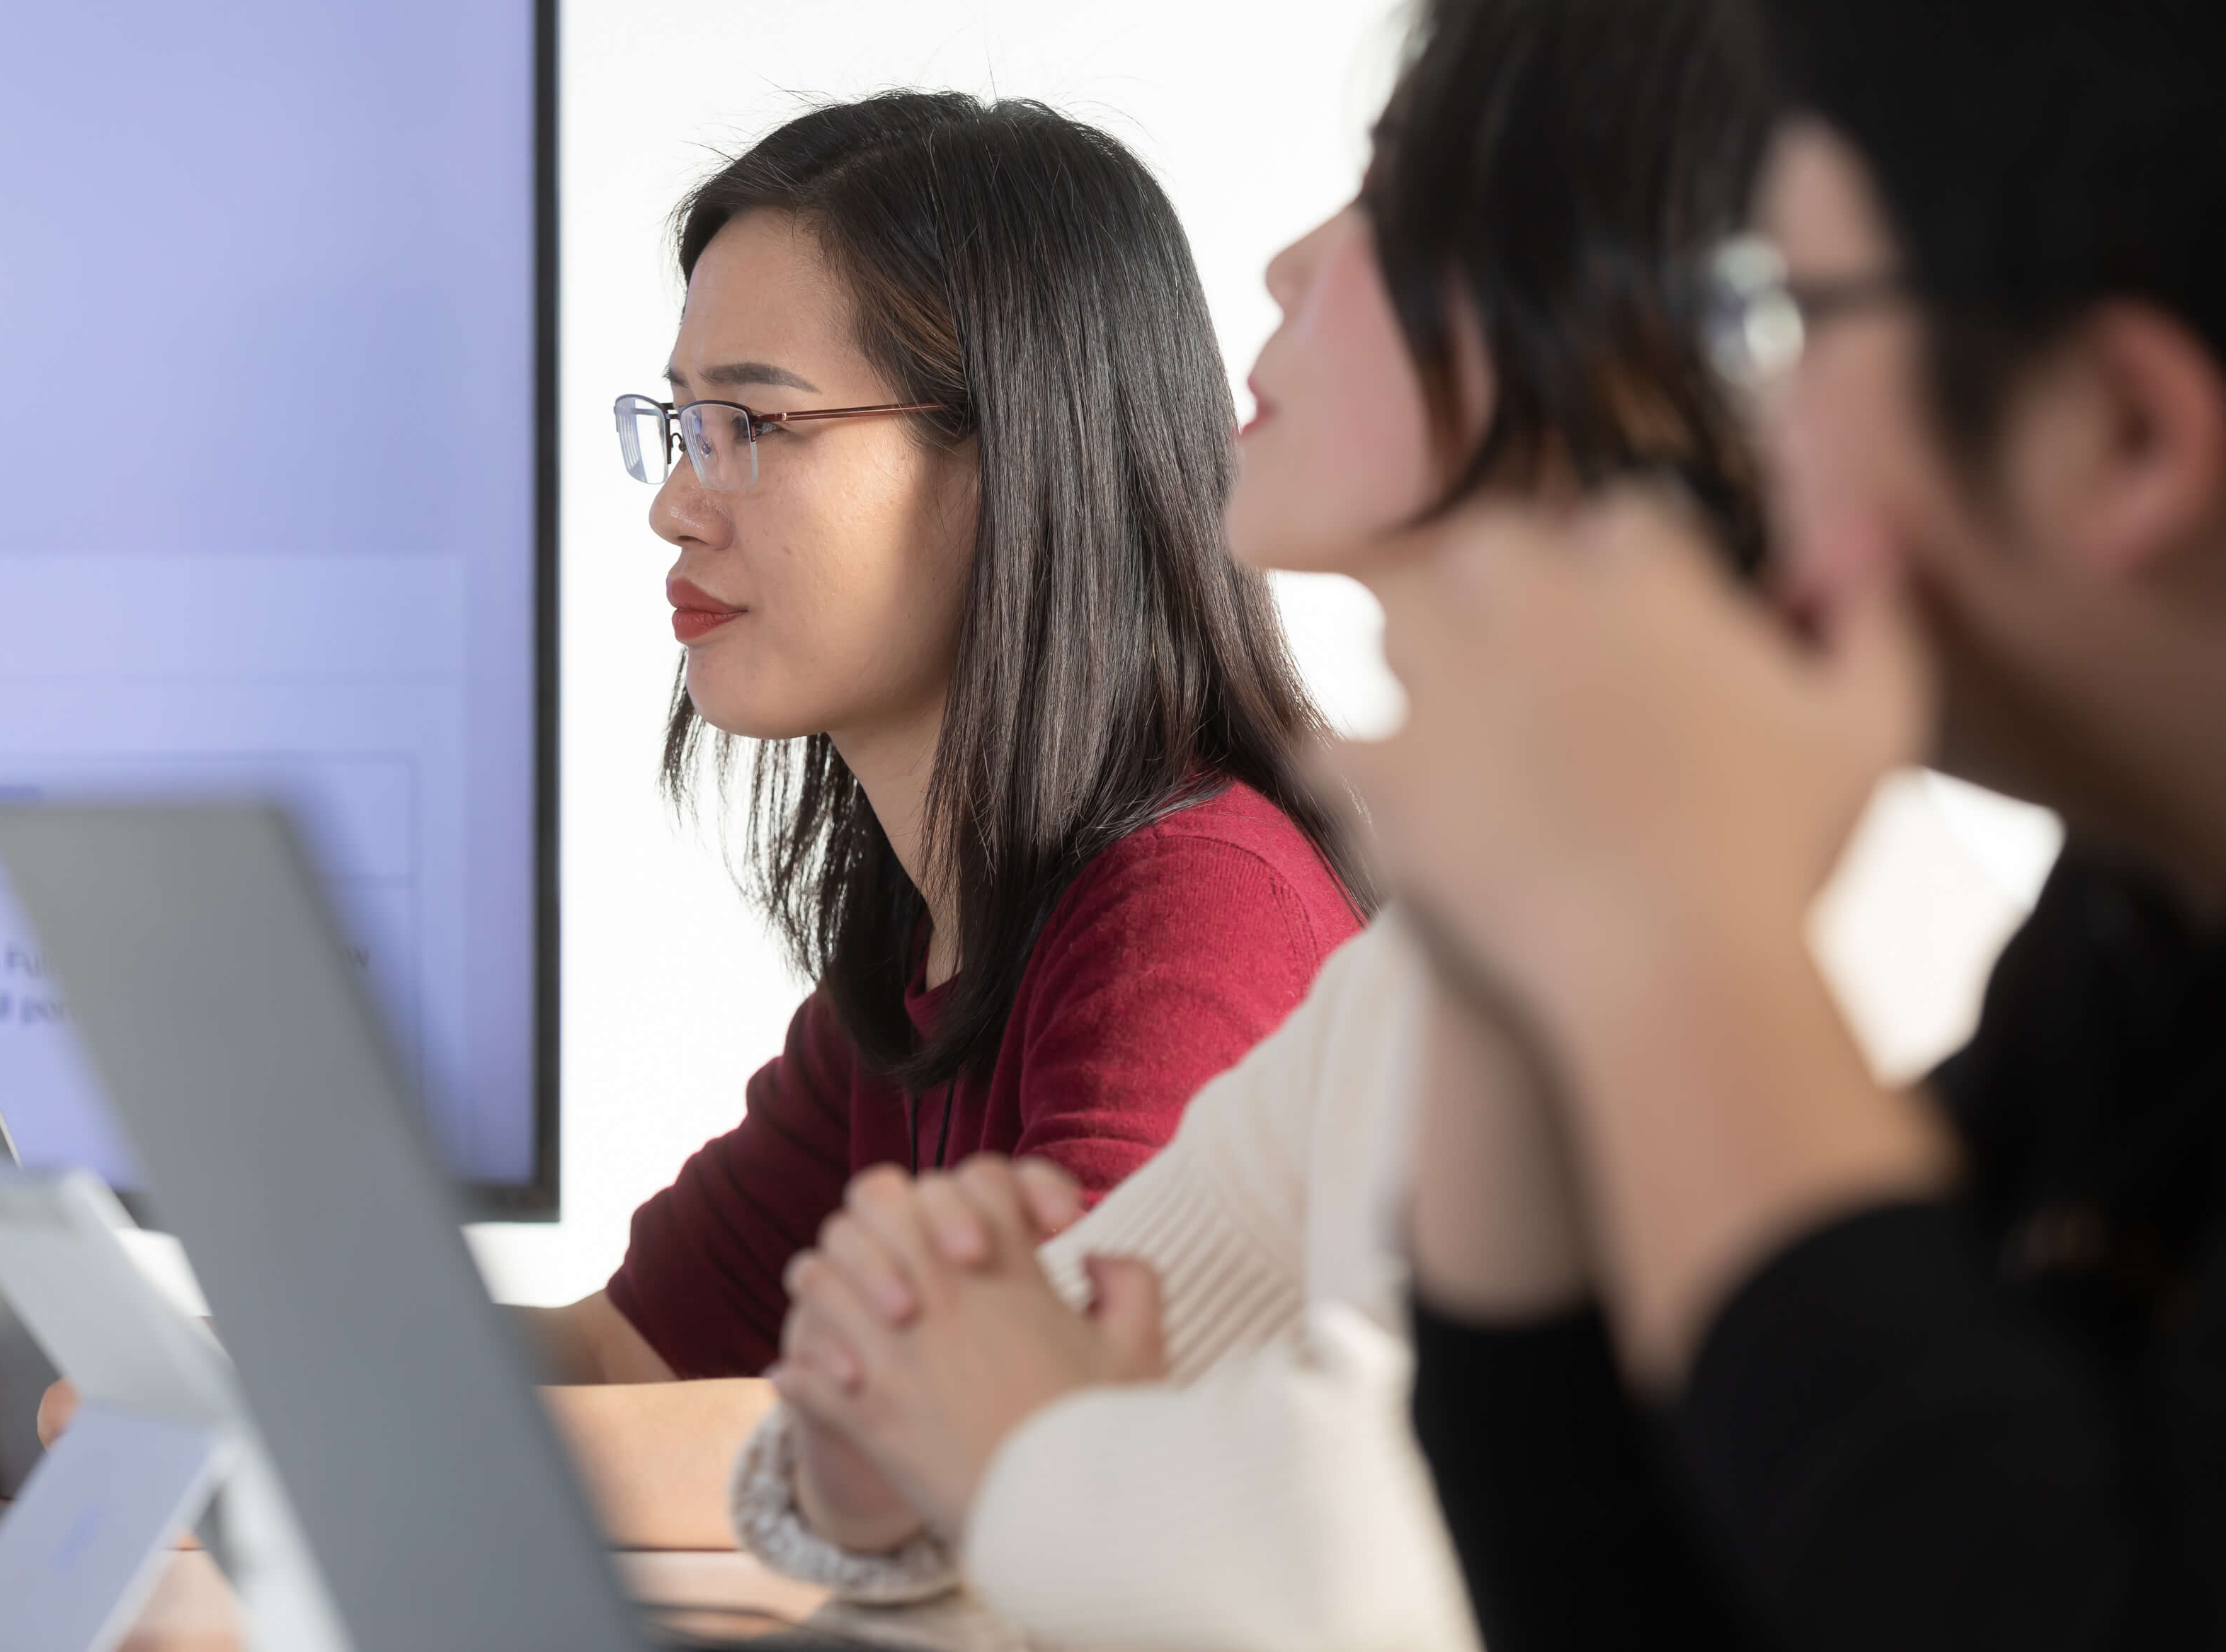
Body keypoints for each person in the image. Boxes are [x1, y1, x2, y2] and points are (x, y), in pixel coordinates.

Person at [0, 92, 1366, 1538]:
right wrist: (154, 1361)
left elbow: (1012, 1440)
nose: (676, 503)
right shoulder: (925, 964)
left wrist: (298, 1441)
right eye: (682, 424)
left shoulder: (1196, 908)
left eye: (754, 425)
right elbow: (623, 1355)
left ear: (1012, 460)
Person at [736, 4, 1773, 1646]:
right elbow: (929, 1445)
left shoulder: (1741, 929)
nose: (1289, 263)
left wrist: (1016, 1455)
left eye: (1397, 196)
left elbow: (1358, 1575)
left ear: (1640, 314)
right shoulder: (1426, 965)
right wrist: (953, 1456)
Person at [1325, 0, 2226, 1646]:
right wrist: (1513, 946)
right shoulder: (2124, 953)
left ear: (2125, 435)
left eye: (1785, 321)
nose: (1754, 419)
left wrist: (1675, 941)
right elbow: (1647, 1596)